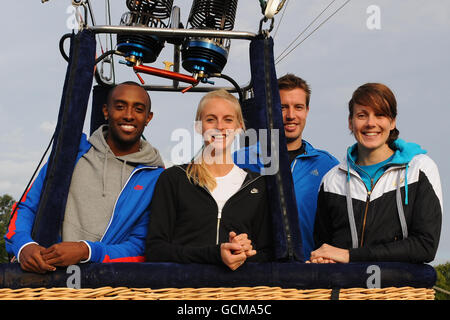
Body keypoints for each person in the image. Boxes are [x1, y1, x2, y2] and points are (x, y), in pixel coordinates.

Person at [5, 81, 165, 273]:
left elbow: (140, 247)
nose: (129, 115)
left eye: (138, 109)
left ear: (148, 118)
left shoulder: (156, 178)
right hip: (47, 276)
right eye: (120, 107)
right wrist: (24, 246)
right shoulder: (71, 152)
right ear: (106, 111)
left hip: (104, 285)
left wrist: (87, 251)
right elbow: (27, 206)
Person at [311, 83, 443, 264]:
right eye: (361, 115)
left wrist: (350, 256)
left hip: (400, 291)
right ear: (350, 122)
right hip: (347, 291)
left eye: (380, 115)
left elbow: (425, 246)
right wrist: (323, 259)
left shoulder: (420, 169)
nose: (371, 123)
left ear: (392, 121)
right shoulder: (331, 180)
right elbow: (325, 248)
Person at [145, 89, 273, 270]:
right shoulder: (174, 179)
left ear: (239, 127)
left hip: (237, 293)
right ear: (198, 126)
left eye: (228, 119)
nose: (220, 126)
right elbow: (155, 250)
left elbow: (268, 254)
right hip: (183, 292)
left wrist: (244, 251)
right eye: (211, 119)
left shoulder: (258, 186)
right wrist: (215, 254)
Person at [234, 74, 338, 260]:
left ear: (307, 110)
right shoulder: (240, 159)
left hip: (307, 273)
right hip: (251, 272)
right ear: (270, 110)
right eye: (282, 107)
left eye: (298, 107)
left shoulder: (328, 166)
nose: (291, 115)